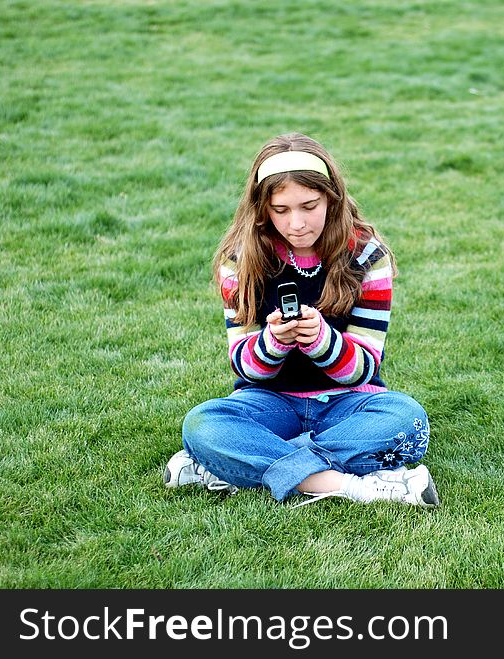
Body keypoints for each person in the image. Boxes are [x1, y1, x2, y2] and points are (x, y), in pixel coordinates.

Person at [163, 133, 439, 508]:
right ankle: (352, 486)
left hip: (349, 402)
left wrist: (321, 340)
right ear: (262, 209)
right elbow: (246, 368)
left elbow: (363, 369)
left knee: (406, 419)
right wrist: (273, 341)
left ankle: (231, 465)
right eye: (281, 210)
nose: (297, 223)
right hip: (269, 401)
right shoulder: (239, 260)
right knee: (203, 423)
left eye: (310, 205)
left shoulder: (367, 257)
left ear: (332, 198)